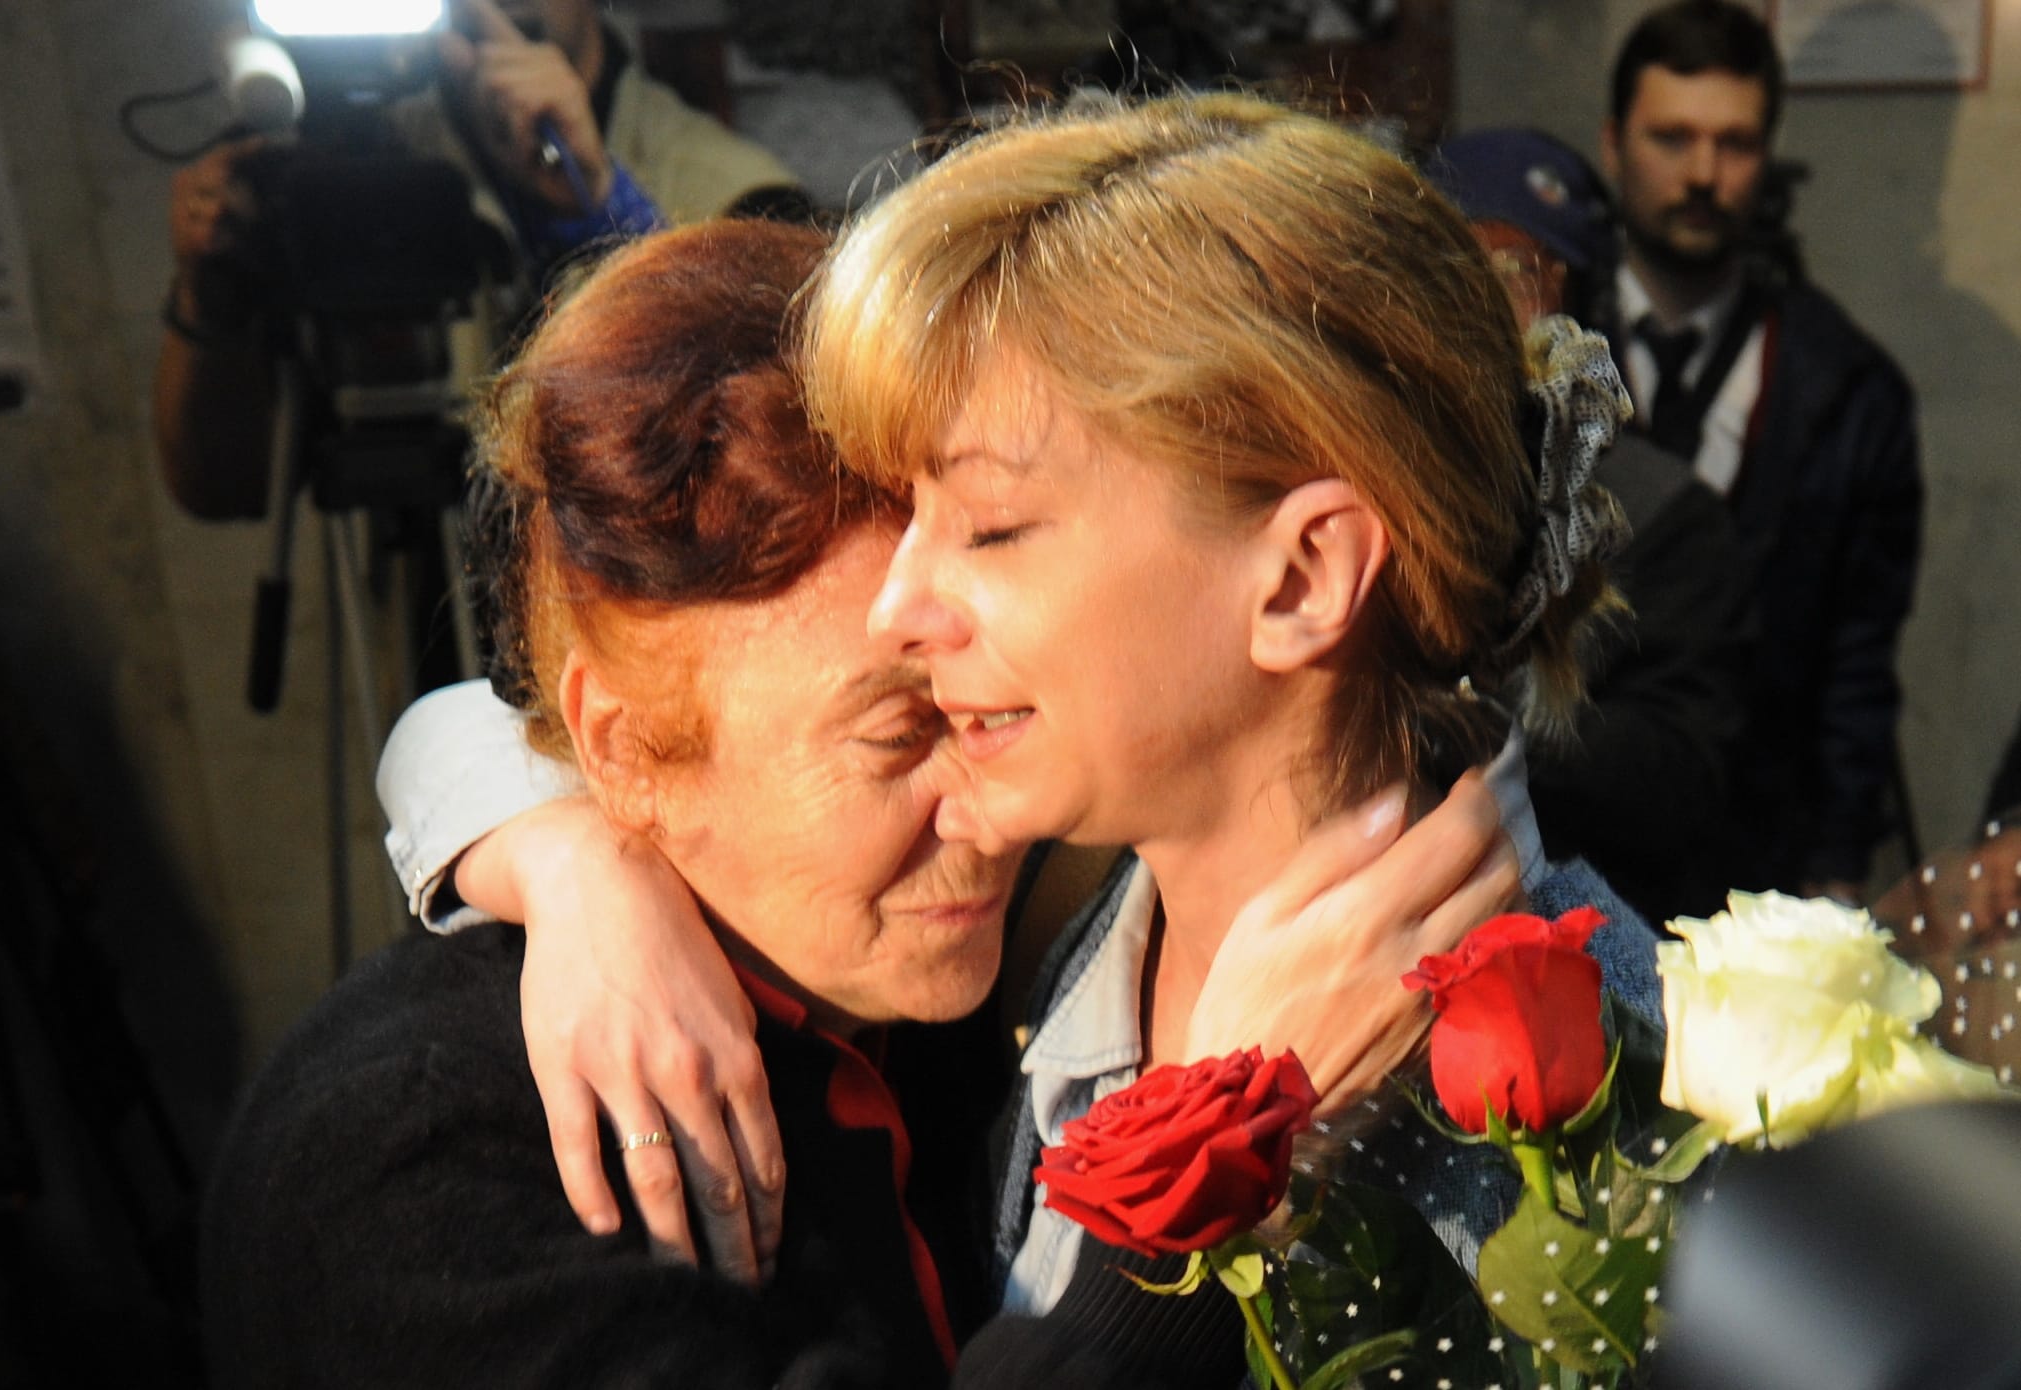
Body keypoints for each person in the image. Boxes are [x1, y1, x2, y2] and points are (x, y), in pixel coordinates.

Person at [378, 95, 1668, 1375]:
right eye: (915, 511)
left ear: (1299, 578)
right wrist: (567, 855)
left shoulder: (1604, 1091)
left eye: (989, 526)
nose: (900, 604)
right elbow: (543, 727)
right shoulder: (1047, 927)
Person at [155, 0, 802, 520]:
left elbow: (775, 472)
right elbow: (225, 489)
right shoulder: (363, 166)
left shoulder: (734, 193)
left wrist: (601, 210)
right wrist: (211, 299)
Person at [1600, 0, 1922, 903]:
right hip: (1565, 837)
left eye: (1734, 143)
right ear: (1613, 143)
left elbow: (1856, 668)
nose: (1702, 173)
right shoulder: (1536, 346)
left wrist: (1834, 873)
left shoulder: (1848, 390)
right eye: (1672, 137)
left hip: (1757, 857)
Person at [1428, 126, 1753, 926]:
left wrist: (1465, 727)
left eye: (1523, 275)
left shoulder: (1662, 511)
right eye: (1459, 272)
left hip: (1584, 935)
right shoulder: (1364, 478)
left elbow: (1678, 773)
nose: (1495, 310)